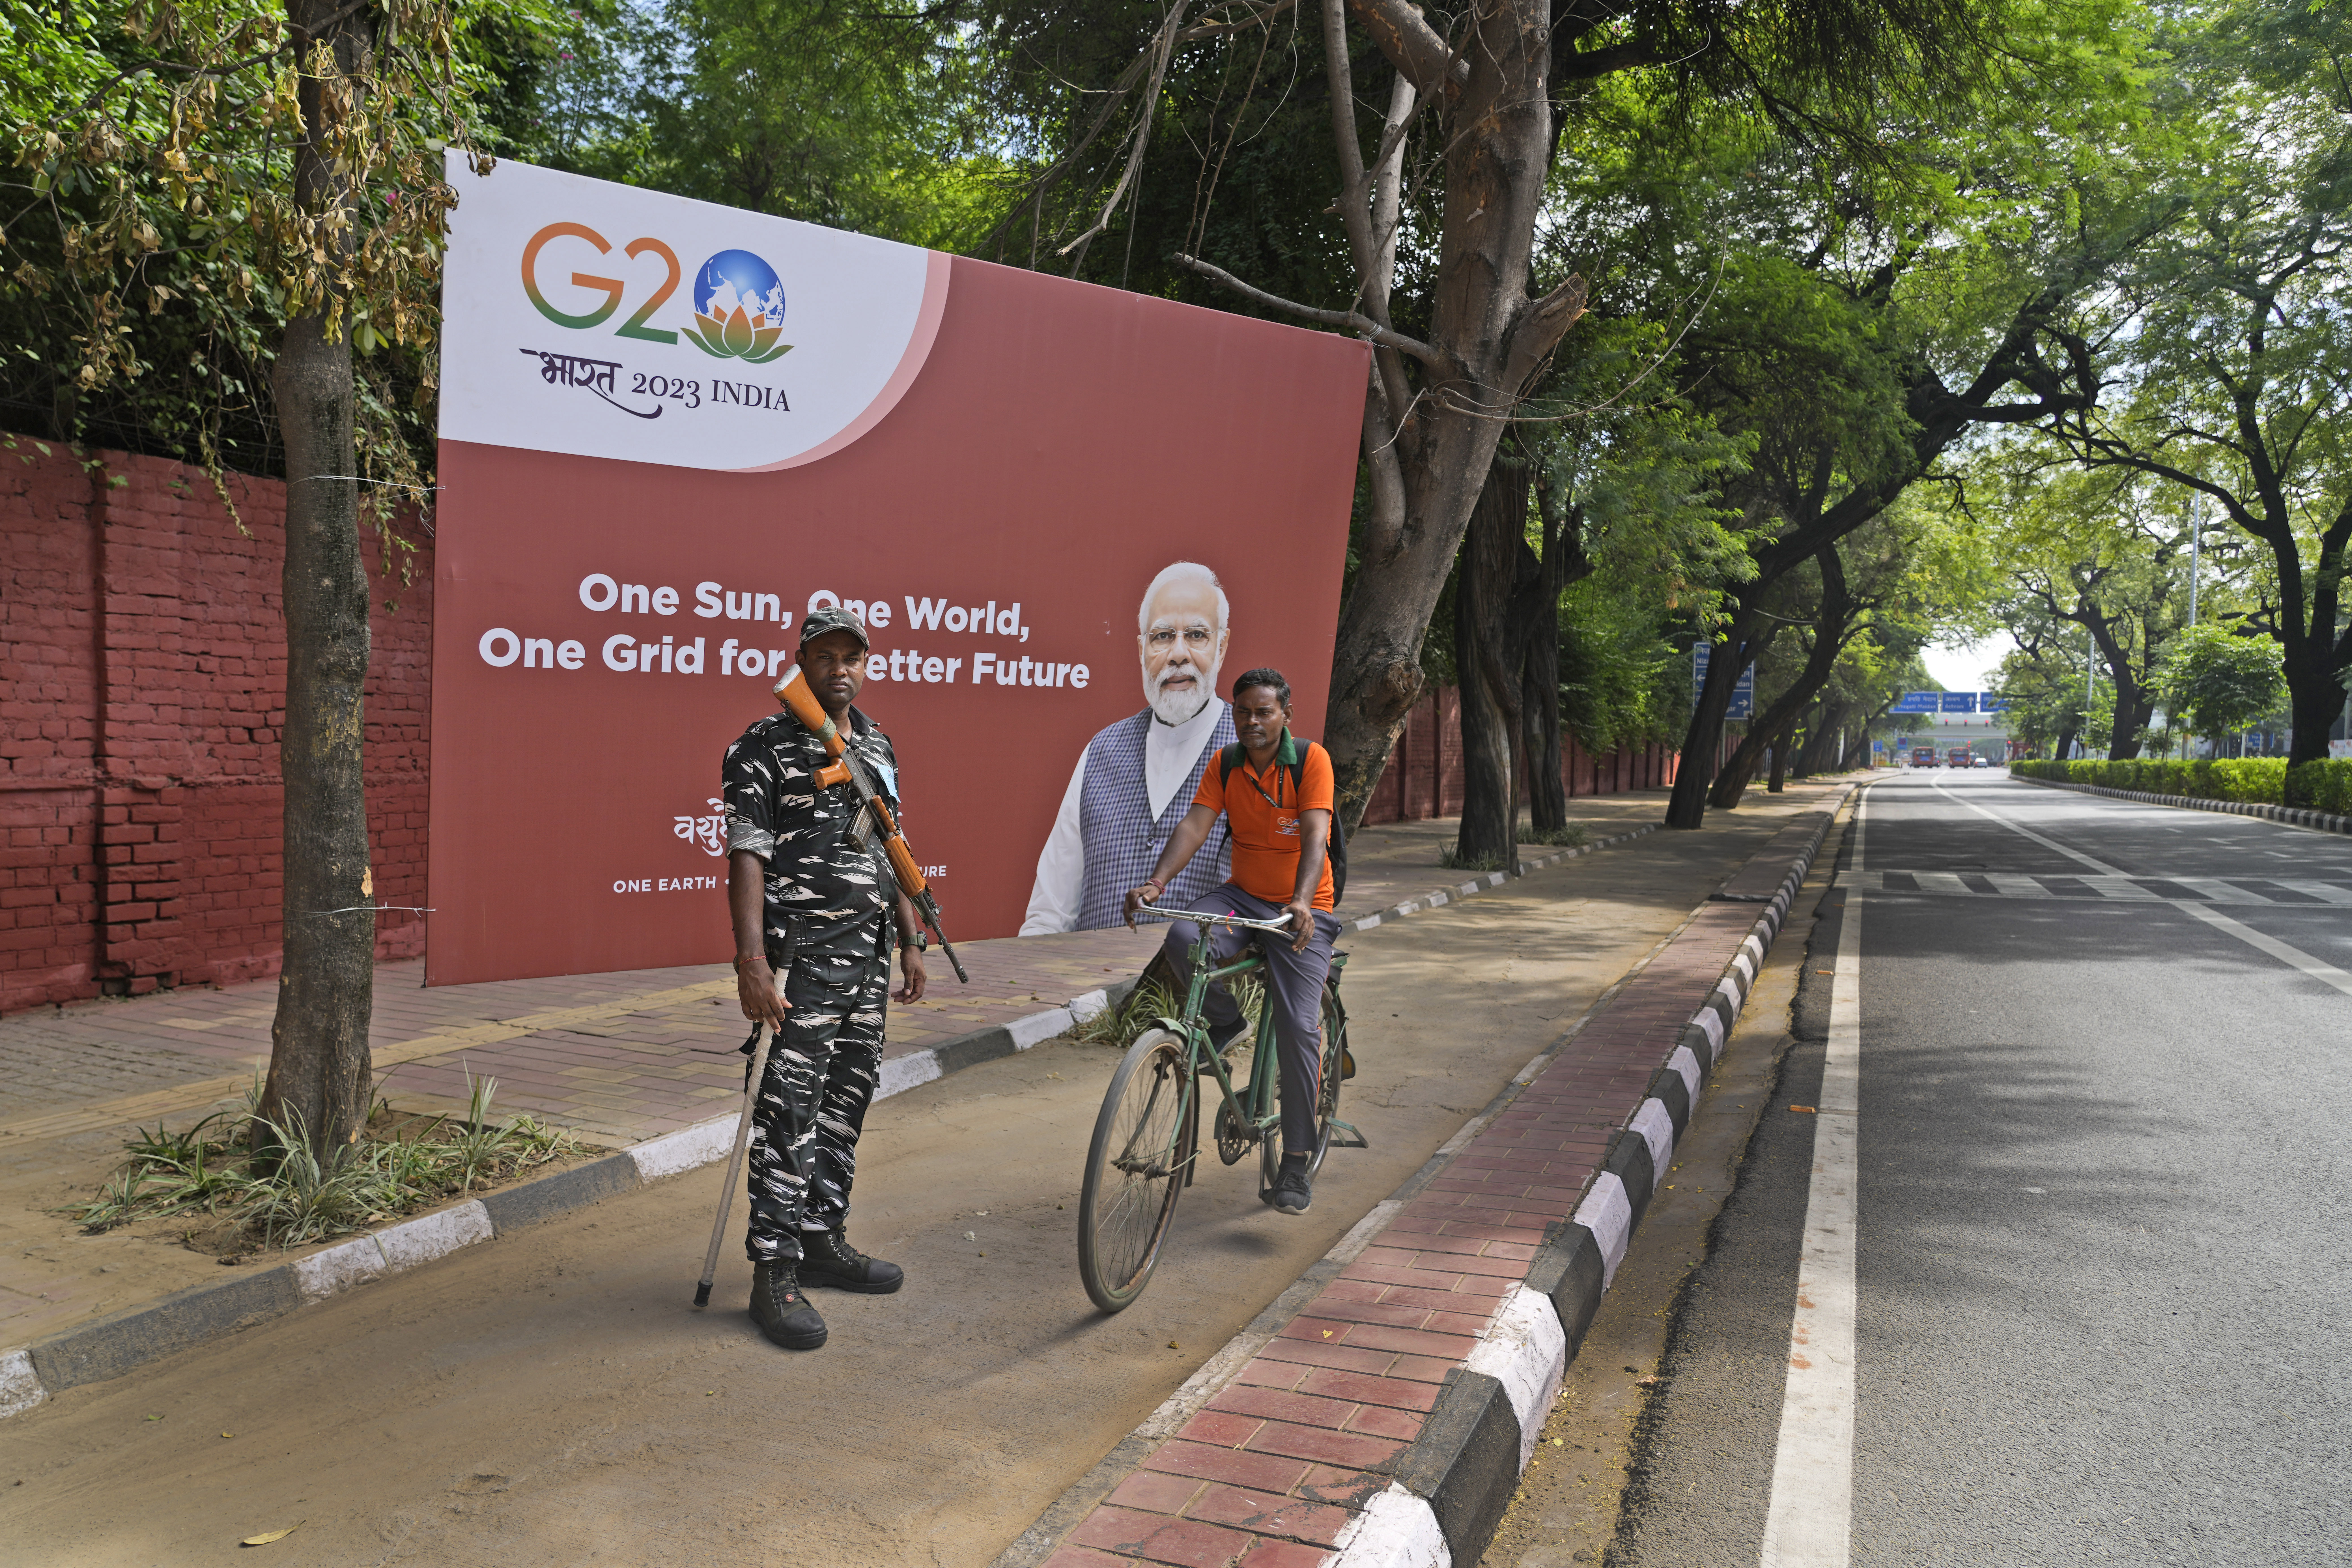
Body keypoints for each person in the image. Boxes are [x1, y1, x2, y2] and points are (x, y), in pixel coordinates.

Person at [722, 606, 928, 1351]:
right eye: (826, 656)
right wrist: (749, 963)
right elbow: (746, 853)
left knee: (844, 1105)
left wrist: (909, 942)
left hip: (866, 961)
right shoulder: (762, 749)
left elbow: (889, 840)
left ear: (866, 663)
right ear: (802, 658)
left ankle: (819, 1238)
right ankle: (772, 1271)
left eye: (853, 657)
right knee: (787, 1114)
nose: (840, 669)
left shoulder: (875, 743)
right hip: (797, 964)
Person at [1124, 668, 1340, 1216]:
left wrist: (1301, 899)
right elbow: (1196, 825)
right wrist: (1157, 882)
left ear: (1285, 714)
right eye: (1243, 711)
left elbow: (1316, 833)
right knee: (1182, 937)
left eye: (1263, 712)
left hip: (1302, 908)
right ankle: (1226, 1023)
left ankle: (1295, 1160)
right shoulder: (1227, 764)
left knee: (1297, 1025)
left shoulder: (1311, 761)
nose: (1252, 722)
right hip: (1243, 899)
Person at [1020, 562, 1237, 934]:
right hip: (1091, 989)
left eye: (1197, 635)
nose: (1178, 654)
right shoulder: (1102, 751)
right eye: (1163, 636)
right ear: (1142, 650)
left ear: (1222, 647)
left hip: (1203, 990)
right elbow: (1051, 911)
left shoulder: (1259, 758)